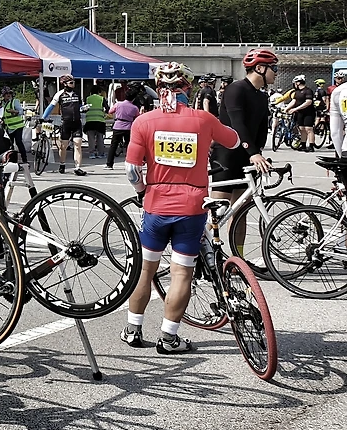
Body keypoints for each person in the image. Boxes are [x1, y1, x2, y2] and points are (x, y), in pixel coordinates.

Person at [121, 63, 240, 353]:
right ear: (188, 87)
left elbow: (132, 170)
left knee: (145, 270)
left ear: (158, 87)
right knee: (182, 273)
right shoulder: (203, 119)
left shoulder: (144, 121)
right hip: (192, 206)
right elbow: (234, 141)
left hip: (156, 204)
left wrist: (142, 192)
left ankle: (132, 330)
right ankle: (169, 337)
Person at [211, 47, 277, 258]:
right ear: (260, 68)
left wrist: (259, 153)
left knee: (240, 213)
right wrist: (253, 153)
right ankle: (203, 254)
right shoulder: (236, 89)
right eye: (274, 68)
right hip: (226, 156)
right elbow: (238, 124)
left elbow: (260, 130)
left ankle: (237, 259)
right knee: (217, 213)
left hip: (247, 158)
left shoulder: (262, 96)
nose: (276, 73)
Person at [40, 75, 86, 175]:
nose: (73, 84)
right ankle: (62, 164)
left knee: (77, 144)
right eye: (71, 83)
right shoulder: (59, 94)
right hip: (66, 123)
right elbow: (51, 106)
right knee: (63, 146)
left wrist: (83, 108)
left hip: (77, 122)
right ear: (64, 84)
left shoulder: (77, 93)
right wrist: (43, 117)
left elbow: (80, 106)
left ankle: (78, 167)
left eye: (74, 82)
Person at [104, 89, 139, 170]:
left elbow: (110, 111)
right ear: (133, 98)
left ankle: (109, 164)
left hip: (118, 126)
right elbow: (137, 117)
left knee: (113, 146)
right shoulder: (135, 108)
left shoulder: (118, 104)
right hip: (128, 127)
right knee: (129, 146)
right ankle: (130, 163)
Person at [286, 75, 317, 151]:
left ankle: (311, 146)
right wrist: (286, 109)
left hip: (309, 113)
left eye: (295, 83)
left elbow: (308, 102)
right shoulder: (297, 92)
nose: (294, 84)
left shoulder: (308, 91)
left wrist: (295, 109)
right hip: (300, 113)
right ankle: (303, 145)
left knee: (308, 129)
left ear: (298, 83)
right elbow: (294, 101)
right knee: (301, 129)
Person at [83, 87, 109, 159]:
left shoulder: (88, 98)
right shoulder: (101, 98)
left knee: (91, 139)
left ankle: (92, 153)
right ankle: (101, 153)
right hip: (100, 121)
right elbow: (107, 109)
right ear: (99, 92)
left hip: (89, 121)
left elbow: (84, 109)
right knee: (100, 138)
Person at [330, 71, 347, 154]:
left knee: (335, 130)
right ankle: (344, 152)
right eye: (338, 78)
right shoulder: (331, 88)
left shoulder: (335, 89)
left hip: (337, 95)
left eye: (341, 78)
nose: (340, 80)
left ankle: (341, 153)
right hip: (339, 98)